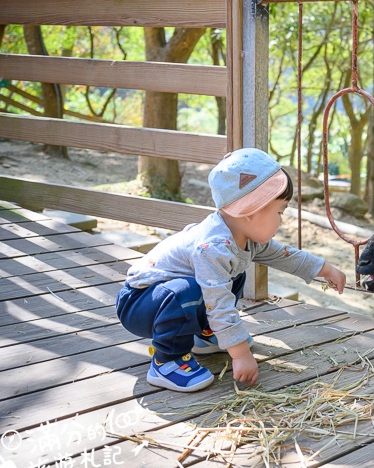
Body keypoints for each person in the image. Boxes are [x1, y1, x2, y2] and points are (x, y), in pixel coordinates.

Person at [116, 148, 347, 393]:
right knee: (190, 290)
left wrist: (324, 269)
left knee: (235, 275)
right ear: (250, 210)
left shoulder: (246, 238)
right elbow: (217, 301)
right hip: (140, 303)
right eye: (280, 211)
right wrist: (240, 353)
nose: (282, 220)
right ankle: (166, 360)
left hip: (164, 300)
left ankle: (205, 335)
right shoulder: (213, 247)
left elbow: (283, 255)